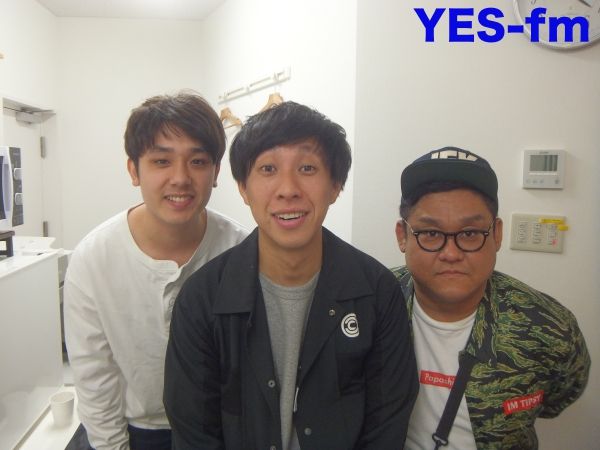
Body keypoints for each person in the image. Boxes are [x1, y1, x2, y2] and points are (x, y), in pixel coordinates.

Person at [164, 101, 419, 450]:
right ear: (243, 187)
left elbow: (386, 426)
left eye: (307, 168)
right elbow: (194, 433)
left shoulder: (376, 293)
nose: (288, 189)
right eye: (268, 169)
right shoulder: (202, 300)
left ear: (336, 185)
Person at [64, 92, 248, 450]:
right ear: (134, 170)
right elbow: (95, 380)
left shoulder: (240, 251)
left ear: (215, 173)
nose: (180, 178)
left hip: (218, 428)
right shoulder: (93, 260)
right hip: (134, 431)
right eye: (161, 161)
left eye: (197, 161)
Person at [391, 147, 590, 450]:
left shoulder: (549, 328)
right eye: (430, 233)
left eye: (470, 233)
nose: (451, 253)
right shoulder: (368, 303)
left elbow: (561, 394)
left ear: (496, 234)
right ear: (402, 236)